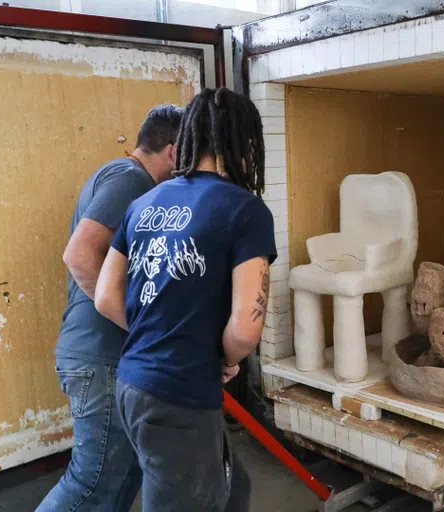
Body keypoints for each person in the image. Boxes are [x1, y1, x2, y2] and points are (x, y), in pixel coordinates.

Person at [94, 87, 275, 512]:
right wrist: (223, 358)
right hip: (179, 393)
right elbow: (246, 329)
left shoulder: (143, 204)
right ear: (243, 142)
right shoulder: (245, 210)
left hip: (134, 382)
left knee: (233, 488)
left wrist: (158, 332)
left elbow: (105, 297)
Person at [37, 104, 184, 512]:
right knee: (92, 480)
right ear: (173, 151)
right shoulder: (130, 180)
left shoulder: (124, 179)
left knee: (123, 474)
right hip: (100, 359)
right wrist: (139, 325)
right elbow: (80, 255)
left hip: (106, 358)